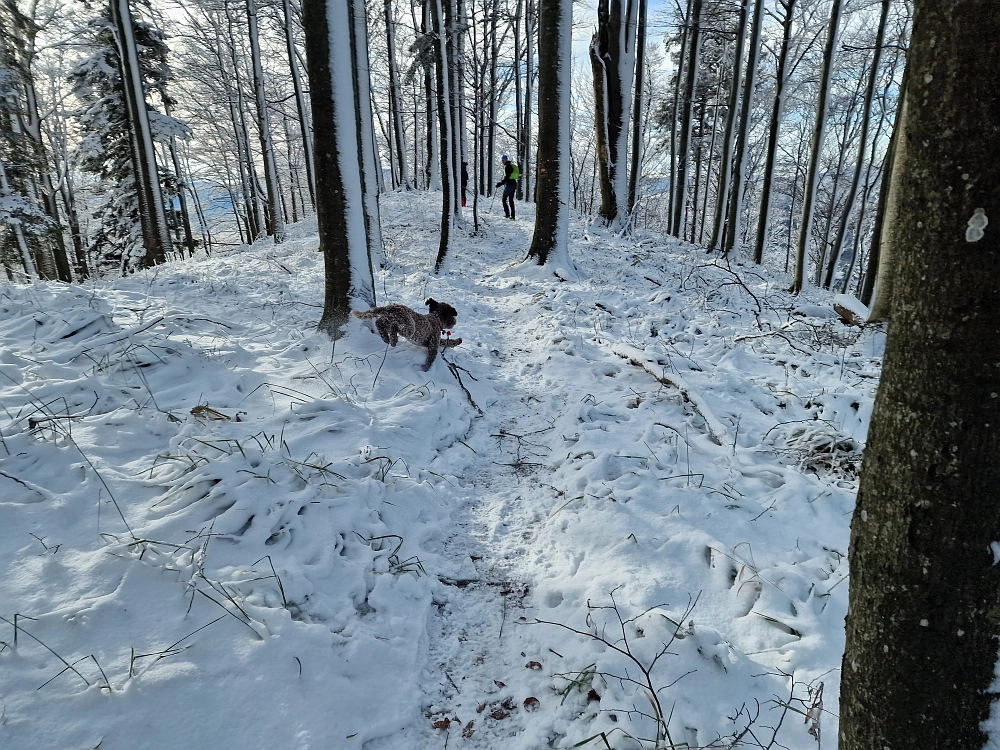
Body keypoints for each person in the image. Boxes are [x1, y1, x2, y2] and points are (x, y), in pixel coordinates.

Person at [496, 155, 519, 220]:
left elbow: (507, 177)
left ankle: (507, 215)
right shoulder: (510, 165)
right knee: (511, 200)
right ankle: (513, 216)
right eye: (502, 160)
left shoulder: (508, 167)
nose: (502, 161)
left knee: (504, 199)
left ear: (506, 160)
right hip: (514, 184)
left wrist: (501, 183)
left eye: (503, 160)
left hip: (509, 185)